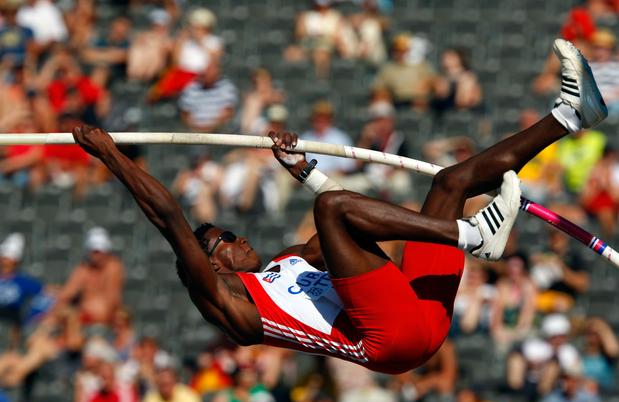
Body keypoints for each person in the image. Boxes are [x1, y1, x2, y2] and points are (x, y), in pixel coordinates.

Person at [71, 39, 607, 375]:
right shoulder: (224, 298)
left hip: (413, 309)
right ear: (209, 263)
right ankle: (473, 238)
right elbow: (169, 217)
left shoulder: (284, 264)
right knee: (332, 210)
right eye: (225, 241)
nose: (238, 239)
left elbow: (354, 243)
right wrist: (110, 154)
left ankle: (568, 116)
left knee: (450, 182)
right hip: (389, 341)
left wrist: (304, 169)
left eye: (231, 232)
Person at [52, 227, 124, 327]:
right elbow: (66, 294)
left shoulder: (113, 268)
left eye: (99, 251)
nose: (96, 255)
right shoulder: (83, 270)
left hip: (104, 323)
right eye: (94, 251)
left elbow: (111, 301)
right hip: (83, 320)